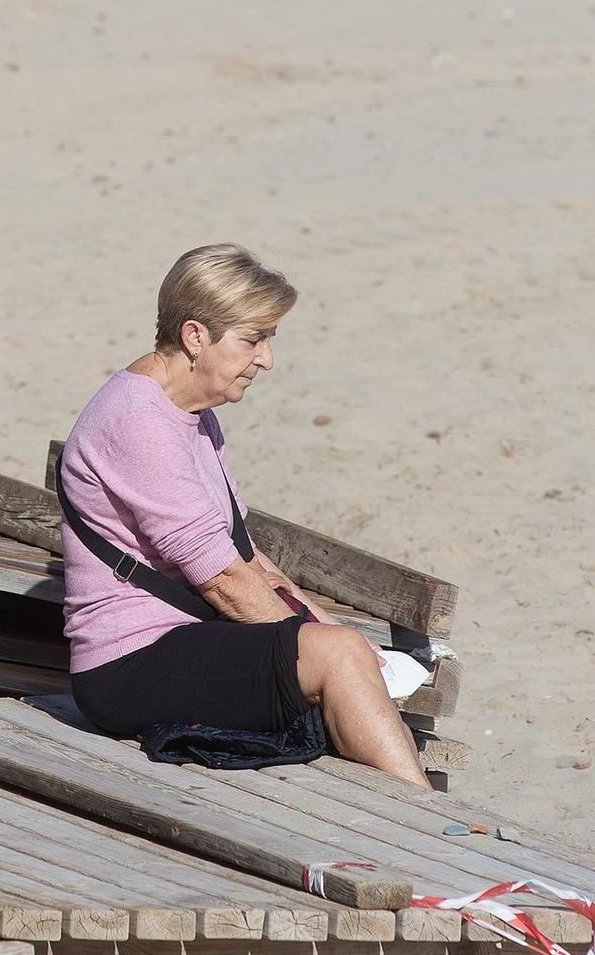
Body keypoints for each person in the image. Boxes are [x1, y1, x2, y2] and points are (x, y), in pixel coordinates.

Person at [59, 244, 428, 786]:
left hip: (185, 640)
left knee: (344, 652)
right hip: (127, 665)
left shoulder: (191, 414)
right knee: (338, 660)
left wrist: (329, 630)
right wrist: (327, 651)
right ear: (195, 336)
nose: (266, 359)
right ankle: (425, 820)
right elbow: (225, 581)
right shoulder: (139, 422)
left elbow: (242, 554)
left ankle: (414, 815)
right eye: (253, 339)